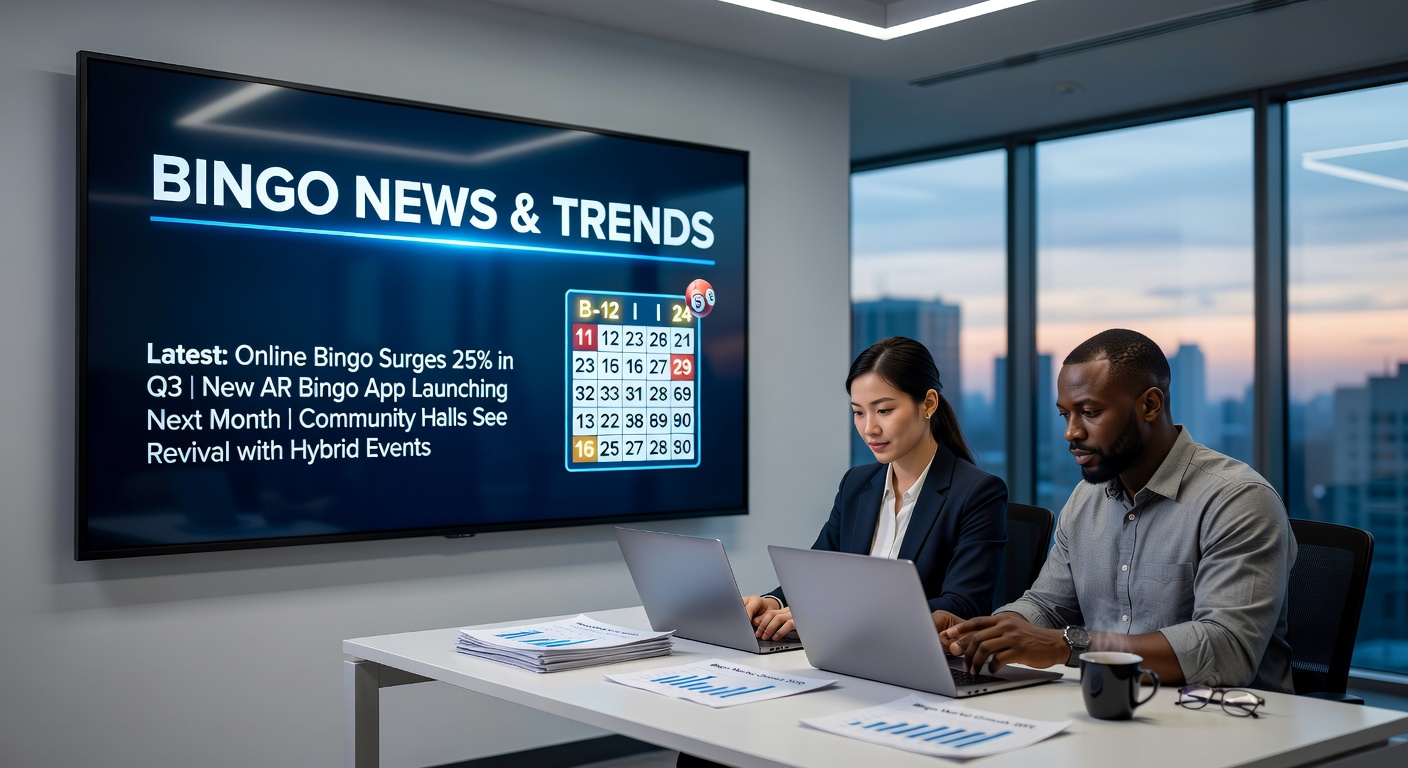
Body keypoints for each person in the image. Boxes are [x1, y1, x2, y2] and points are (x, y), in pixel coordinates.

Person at [937, 328, 1296, 693]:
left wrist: (1065, 646)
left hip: (1228, 723)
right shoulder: (1084, 500)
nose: (1071, 432)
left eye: (1089, 412)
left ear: (1150, 405)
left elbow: (1226, 651)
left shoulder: (1237, 500)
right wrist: (983, 633)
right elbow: (1046, 607)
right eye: (1065, 415)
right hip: (1108, 709)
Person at [746, 336, 1008, 641]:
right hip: (846, 652)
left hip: (919, 660)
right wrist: (773, 602)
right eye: (859, 412)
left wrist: (838, 615)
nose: (869, 428)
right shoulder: (856, 485)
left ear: (929, 404)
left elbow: (963, 605)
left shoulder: (977, 492)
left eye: (883, 410)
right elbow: (818, 573)